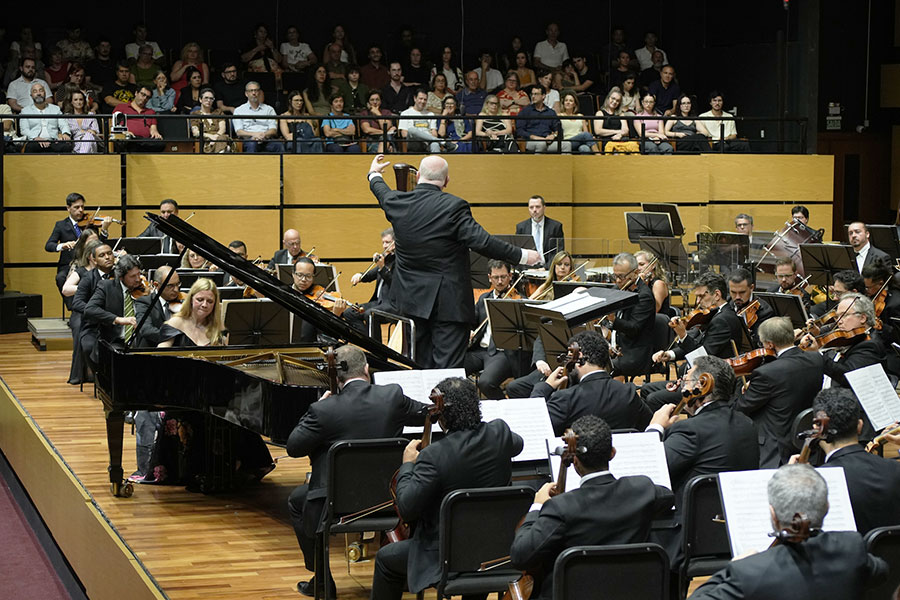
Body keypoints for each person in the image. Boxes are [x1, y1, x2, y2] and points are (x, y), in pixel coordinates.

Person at [368, 154, 540, 368]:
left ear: (419, 176)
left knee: (421, 366)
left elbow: (380, 191)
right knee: (448, 370)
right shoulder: (454, 206)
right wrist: (522, 255)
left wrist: (374, 173)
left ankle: (428, 403)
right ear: (447, 181)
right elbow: (482, 242)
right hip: (448, 305)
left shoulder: (397, 202)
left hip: (412, 303)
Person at [286, 344, 427, 597]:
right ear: (366, 369)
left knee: (298, 501)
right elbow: (426, 415)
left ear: (337, 378)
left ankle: (322, 580)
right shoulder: (392, 397)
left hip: (336, 503)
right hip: (388, 499)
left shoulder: (324, 410)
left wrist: (318, 407)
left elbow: (294, 447)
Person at [370, 377, 524, 598]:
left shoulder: (435, 456)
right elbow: (517, 444)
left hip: (447, 555)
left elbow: (406, 508)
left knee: (386, 559)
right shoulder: (499, 432)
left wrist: (407, 464)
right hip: (496, 550)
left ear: (441, 415)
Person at [510, 415, 674, 600]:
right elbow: (668, 497)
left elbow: (520, 555)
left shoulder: (561, 508)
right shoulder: (642, 489)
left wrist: (537, 506)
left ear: (575, 461)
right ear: (612, 453)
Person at [690, 463, 887, 600]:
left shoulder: (749, 572)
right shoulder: (852, 547)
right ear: (826, 507)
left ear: (773, 515)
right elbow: (881, 570)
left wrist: (732, 567)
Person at [646, 355, 758, 568]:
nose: (682, 389)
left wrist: (655, 428)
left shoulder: (689, 429)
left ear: (702, 385)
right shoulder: (747, 424)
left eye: (686, 381)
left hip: (688, 535)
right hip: (733, 531)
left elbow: (651, 471)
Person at [794, 388, 900, 535]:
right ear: (860, 426)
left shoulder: (816, 483)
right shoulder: (895, 469)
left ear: (817, 429)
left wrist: (792, 480)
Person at [643, 272, 743, 411]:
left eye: (702, 296)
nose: (697, 302)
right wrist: (670, 354)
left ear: (717, 295)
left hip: (710, 384)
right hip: (695, 377)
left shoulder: (723, 320)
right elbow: (695, 343)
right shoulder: (713, 314)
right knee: (646, 389)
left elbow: (703, 358)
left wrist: (683, 334)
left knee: (653, 399)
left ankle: (661, 430)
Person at [734, 317, 825, 467]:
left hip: (775, 449)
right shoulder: (816, 359)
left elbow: (741, 408)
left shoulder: (766, 373)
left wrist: (742, 391)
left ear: (770, 344)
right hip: (805, 441)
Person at [532, 330, 652, 433]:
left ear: (578, 356)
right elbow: (649, 424)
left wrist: (545, 387)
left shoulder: (566, 399)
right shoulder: (628, 392)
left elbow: (536, 425)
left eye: (569, 357)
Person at [464, 260, 526, 398]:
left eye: (503, 277)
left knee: (486, 383)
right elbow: (472, 322)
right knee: (451, 368)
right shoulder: (484, 298)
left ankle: (504, 408)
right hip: (479, 350)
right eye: (495, 277)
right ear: (489, 277)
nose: (499, 282)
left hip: (501, 353)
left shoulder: (518, 300)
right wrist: (468, 331)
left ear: (510, 276)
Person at [799, 293, 885, 392]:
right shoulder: (848, 337)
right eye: (837, 316)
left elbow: (848, 377)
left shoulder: (870, 344)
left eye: (845, 315)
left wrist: (817, 355)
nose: (839, 321)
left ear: (862, 318)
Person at [82, 254, 144, 368]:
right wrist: (118, 319)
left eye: (139, 274)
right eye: (132, 276)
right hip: (115, 341)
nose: (137, 279)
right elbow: (89, 309)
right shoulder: (107, 287)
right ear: (121, 277)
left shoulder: (144, 289)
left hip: (141, 341)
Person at [605, 252, 657, 378]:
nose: (617, 281)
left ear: (635, 273)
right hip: (616, 349)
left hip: (634, 354)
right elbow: (606, 322)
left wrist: (613, 319)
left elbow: (634, 329)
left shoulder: (644, 296)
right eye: (615, 276)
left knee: (598, 368)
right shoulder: (618, 289)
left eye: (621, 276)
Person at [46, 192, 110, 290]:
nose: (81, 210)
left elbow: (99, 245)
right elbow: (49, 245)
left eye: (82, 207)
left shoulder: (91, 224)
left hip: (89, 263)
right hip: (69, 264)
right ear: (68, 208)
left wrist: (104, 230)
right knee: (60, 278)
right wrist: (63, 245)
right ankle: (72, 305)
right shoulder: (61, 225)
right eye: (76, 207)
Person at [157, 277, 226, 347]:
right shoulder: (175, 323)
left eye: (210, 301)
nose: (204, 305)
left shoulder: (219, 326)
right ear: (191, 299)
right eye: (200, 299)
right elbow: (161, 351)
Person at [133, 265, 182, 348]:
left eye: (178, 284)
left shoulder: (183, 302)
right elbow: (146, 330)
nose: (176, 290)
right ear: (156, 284)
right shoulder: (144, 302)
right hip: (150, 351)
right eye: (170, 286)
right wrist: (172, 336)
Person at [350, 228, 395, 313]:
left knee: (369, 314)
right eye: (383, 242)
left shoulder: (399, 262)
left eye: (387, 242)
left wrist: (382, 266)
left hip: (391, 304)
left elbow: (393, 283)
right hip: (377, 302)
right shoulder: (386, 260)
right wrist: (360, 276)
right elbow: (371, 275)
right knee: (350, 313)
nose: (384, 246)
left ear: (395, 243)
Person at [727, 267, 775, 346]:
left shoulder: (764, 311)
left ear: (751, 288)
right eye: (733, 292)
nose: (737, 297)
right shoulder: (728, 302)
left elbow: (760, 344)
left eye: (742, 292)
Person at [20, 82, 73, 152]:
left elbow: (63, 124)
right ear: (31, 95)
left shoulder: (55, 109)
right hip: (35, 141)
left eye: (41, 90)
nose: (38, 93)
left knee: (66, 146)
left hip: (53, 141)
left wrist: (65, 133)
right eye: (35, 91)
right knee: (31, 147)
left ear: (45, 93)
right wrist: (36, 138)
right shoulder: (25, 111)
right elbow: (24, 130)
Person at [234, 81, 283, 153]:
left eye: (256, 90)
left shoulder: (269, 109)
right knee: (252, 144)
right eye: (251, 91)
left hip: (266, 139)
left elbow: (273, 129)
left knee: (279, 145)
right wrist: (254, 134)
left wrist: (263, 135)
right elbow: (239, 132)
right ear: (246, 94)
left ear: (259, 92)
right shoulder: (239, 110)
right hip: (249, 140)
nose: (254, 93)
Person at [113, 85, 165, 152]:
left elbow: (153, 130)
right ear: (136, 93)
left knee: (161, 143)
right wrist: (124, 132)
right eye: (143, 94)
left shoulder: (151, 112)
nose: (144, 98)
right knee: (126, 140)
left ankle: (136, 143)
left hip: (144, 140)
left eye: (147, 97)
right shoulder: (121, 107)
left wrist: (156, 134)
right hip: (126, 138)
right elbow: (114, 125)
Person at [515, 195, 565, 264]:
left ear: (544, 208)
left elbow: (558, 252)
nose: (534, 210)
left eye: (538, 207)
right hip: (527, 268)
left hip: (547, 268)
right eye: (531, 207)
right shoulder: (521, 227)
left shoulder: (555, 227)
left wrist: (546, 268)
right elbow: (518, 252)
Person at [518, 86, 568, 153]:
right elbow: (519, 130)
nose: (533, 96)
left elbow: (559, 129)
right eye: (532, 94)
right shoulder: (526, 111)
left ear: (543, 96)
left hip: (547, 141)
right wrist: (532, 137)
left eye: (536, 94)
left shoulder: (551, 112)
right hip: (530, 141)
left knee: (567, 145)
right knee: (541, 144)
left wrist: (553, 136)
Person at [398, 89, 450, 153]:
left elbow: (434, 133)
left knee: (435, 144)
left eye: (425, 99)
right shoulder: (405, 113)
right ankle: (442, 142)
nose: (422, 101)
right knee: (412, 130)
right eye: (420, 98)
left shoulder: (430, 114)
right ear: (415, 98)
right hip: (414, 143)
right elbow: (404, 134)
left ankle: (436, 162)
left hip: (427, 143)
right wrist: (422, 136)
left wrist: (428, 138)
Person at [593, 87, 636, 154]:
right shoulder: (600, 113)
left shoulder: (620, 114)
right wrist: (617, 132)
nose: (615, 102)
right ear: (608, 98)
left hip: (620, 139)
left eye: (617, 100)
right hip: (607, 141)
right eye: (613, 98)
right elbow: (598, 131)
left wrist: (620, 135)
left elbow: (626, 130)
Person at [190, 88, 231, 154]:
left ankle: (219, 151)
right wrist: (211, 137)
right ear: (200, 100)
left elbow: (223, 129)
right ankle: (222, 151)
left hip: (220, 138)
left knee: (223, 137)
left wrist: (215, 139)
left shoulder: (218, 112)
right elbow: (195, 132)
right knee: (221, 141)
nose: (208, 100)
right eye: (206, 98)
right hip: (205, 140)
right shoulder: (195, 114)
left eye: (211, 98)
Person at [63, 89, 100, 154]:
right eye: (75, 100)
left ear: (84, 101)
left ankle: (81, 157)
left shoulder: (90, 115)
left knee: (88, 136)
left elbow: (95, 131)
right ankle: (82, 156)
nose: (78, 102)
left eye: (81, 99)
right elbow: (66, 132)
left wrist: (87, 133)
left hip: (91, 143)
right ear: (71, 102)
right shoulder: (67, 117)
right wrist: (82, 133)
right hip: (75, 144)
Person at [634, 249, 670, 314]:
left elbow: (654, 309)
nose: (638, 268)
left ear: (653, 265)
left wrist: (641, 285)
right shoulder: (642, 282)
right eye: (636, 265)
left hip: (657, 321)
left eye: (641, 264)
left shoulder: (658, 284)